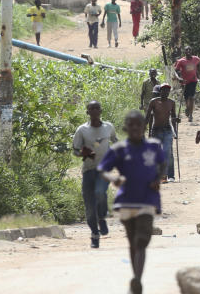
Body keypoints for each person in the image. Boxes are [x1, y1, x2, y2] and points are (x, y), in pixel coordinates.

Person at [98, 110, 166, 294]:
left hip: (147, 200)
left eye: (139, 124)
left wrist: (158, 179)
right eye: (131, 124)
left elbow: (163, 164)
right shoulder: (119, 149)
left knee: (142, 239)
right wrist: (113, 178)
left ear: (145, 126)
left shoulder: (154, 146)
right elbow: (103, 169)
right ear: (125, 127)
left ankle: (137, 280)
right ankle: (136, 278)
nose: (135, 127)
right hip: (126, 202)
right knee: (132, 242)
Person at [73, 101, 118, 247]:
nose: (94, 110)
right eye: (91, 108)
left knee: (100, 192)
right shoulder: (82, 130)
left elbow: (115, 141)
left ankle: (102, 218)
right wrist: (83, 153)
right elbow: (75, 150)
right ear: (87, 112)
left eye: (96, 108)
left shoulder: (108, 127)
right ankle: (94, 234)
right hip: (88, 170)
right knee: (90, 208)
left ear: (101, 110)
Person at [145, 84, 179, 182]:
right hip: (156, 130)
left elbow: (173, 117)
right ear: (160, 91)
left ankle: (170, 175)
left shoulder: (171, 102)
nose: (166, 93)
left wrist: (175, 129)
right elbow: (147, 117)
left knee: (167, 152)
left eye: (168, 91)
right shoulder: (154, 102)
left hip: (167, 130)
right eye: (164, 91)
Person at [173, 47, 200, 122]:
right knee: (186, 97)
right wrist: (179, 78)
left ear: (191, 51)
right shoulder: (181, 61)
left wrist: (199, 74)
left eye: (189, 50)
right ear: (184, 51)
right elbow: (175, 71)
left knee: (191, 97)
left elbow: (198, 65)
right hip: (184, 82)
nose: (188, 51)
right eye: (186, 50)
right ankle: (187, 108)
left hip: (193, 80)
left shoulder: (196, 59)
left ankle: (190, 115)